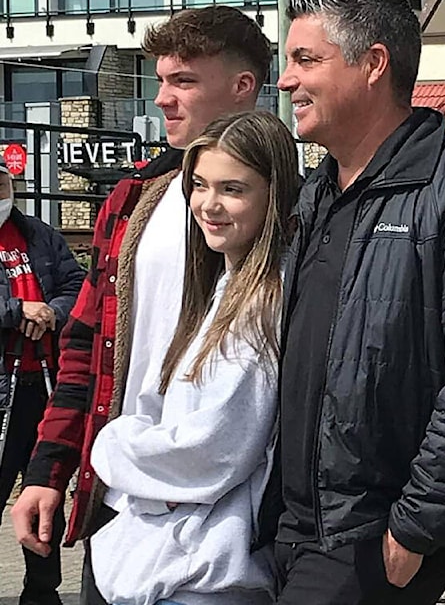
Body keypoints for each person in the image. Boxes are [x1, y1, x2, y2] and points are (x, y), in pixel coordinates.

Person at [274, 0, 445, 604]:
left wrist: (418, 524)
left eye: (306, 60)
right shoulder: (316, 195)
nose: (285, 81)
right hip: (292, 527)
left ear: (373, 65)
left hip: (373, 534)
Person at [11, 5, 273, 605]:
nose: (162, 99)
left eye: (183, 81)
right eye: (160, 80)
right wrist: (48, 470)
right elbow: (83, 345)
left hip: (236, 531)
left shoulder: (295, 210)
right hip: (118, 505)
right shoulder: (133, 200)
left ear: (242, 87)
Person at [87, 111, 298, 605]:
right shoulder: (225, 286)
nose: (209, 204)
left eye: (233, 189)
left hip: (205, 576)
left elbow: (211, 450)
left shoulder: (265, 300)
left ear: (274, 193)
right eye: (199, 185)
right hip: (182, 565)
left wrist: (113, 446)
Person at [0, 164, 84, 605]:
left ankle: (42, 589)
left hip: (43, 384)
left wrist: (52, 310)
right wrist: (17, 310)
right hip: (2, 391)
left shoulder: (39, 234)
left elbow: (78, 284)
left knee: (42, 487)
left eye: (2, 184)